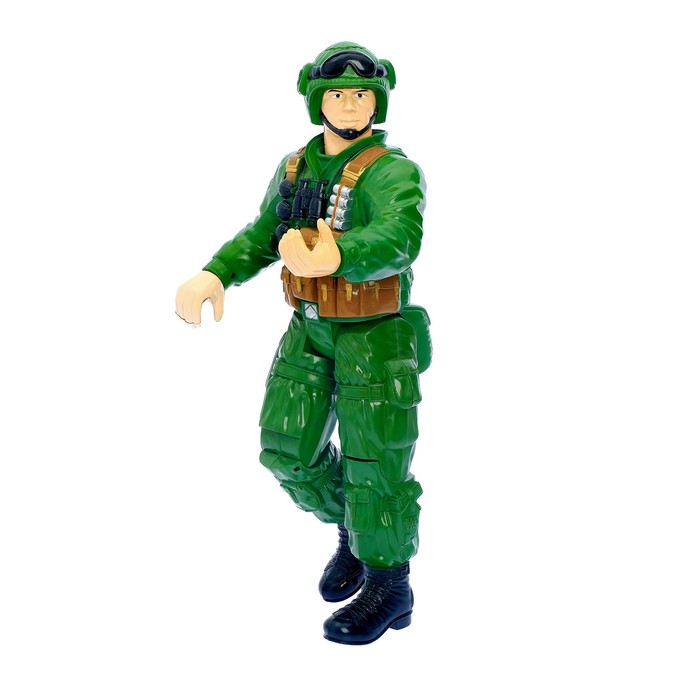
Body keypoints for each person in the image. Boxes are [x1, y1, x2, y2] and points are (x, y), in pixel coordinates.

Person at [175, 42, 431, 645]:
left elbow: (400, 234)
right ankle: (358, 532)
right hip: (310, 326)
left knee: (376, 466)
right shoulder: (295, 168)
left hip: (374, 335)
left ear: (378, 101)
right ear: (318, 101)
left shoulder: (393, 171)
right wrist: (216, 272)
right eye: (338, 94)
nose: (350, 104)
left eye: (362, 94)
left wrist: (339, 254)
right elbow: (265, 233)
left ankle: (390, 584)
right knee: (287, 449)